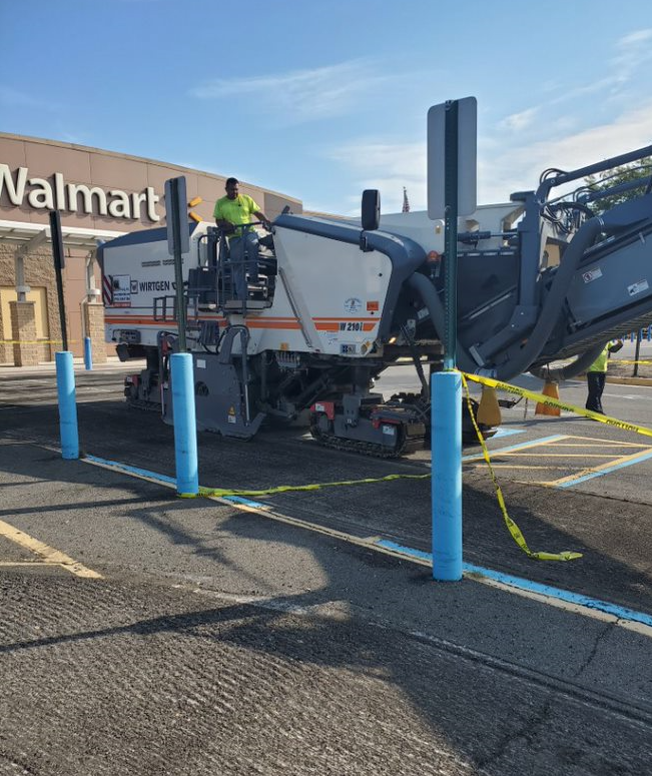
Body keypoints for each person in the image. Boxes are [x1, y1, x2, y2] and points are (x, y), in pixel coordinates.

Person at [213, 177, 272, 299]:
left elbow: (257, 213)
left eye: (236, 189)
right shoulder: (220, 203)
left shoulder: (246, 199)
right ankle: (242, 296)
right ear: (226, 189)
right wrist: (227, 224)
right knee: (237, 265)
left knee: (253, 243)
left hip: (249, 232)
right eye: (232, 190)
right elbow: (218, 221)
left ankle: (254, 277)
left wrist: (266, 221)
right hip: (234, 237)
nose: (234, 192)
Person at [586, 340, 623, 414]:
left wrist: (619, 344)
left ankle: (589, 407)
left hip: (603, 369)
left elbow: (612, 349)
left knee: (599, 391)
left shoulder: (606, 339)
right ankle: (597, 410)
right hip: (592, 368)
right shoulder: (592, 338)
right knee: (595, 390)